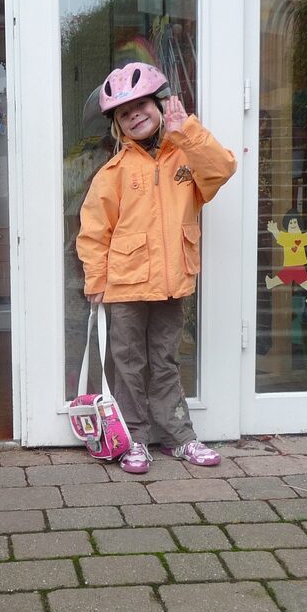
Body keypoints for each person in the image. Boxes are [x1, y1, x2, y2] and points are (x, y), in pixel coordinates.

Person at [77, 63, 237, 474]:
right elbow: (94, 230)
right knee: (128, 361)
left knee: (165, 360)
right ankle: (134, 438)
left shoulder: (187, 155)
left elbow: (222, 169)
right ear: (117, 125)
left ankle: (178, 436)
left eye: (142, 105)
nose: (135, 114)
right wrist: (95, 280)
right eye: (124, 112)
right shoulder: (113, 173)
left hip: (171, 282)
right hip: (126, 287)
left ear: (160, 105)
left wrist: (187, 129)